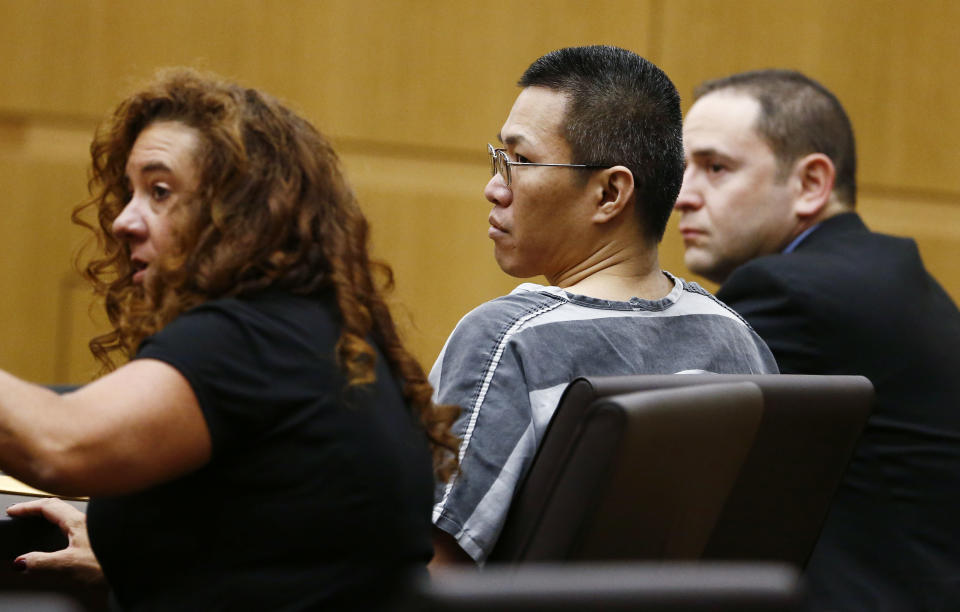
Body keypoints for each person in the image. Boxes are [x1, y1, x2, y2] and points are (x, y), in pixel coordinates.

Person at [2, 68, 458, 610]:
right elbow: (281, 550)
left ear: (243, 213)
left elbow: (59, 446)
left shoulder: (250, 339)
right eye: (131, 192)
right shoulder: (321, 333)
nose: (124, 220)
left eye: (160, 191)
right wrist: (136, 558)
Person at [429, 46, 778, 567]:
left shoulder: (507, 340)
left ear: (610, 193)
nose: (494, 188)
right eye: (499, 159)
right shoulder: (739, 341)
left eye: (520, 161)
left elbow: (436, 572)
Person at [675, 69, 960, 610]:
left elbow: (651, 459)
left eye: (715, 168)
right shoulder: (881, 273)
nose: (682, 197)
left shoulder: (790, 292)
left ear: (810, 184)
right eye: (682, 169)